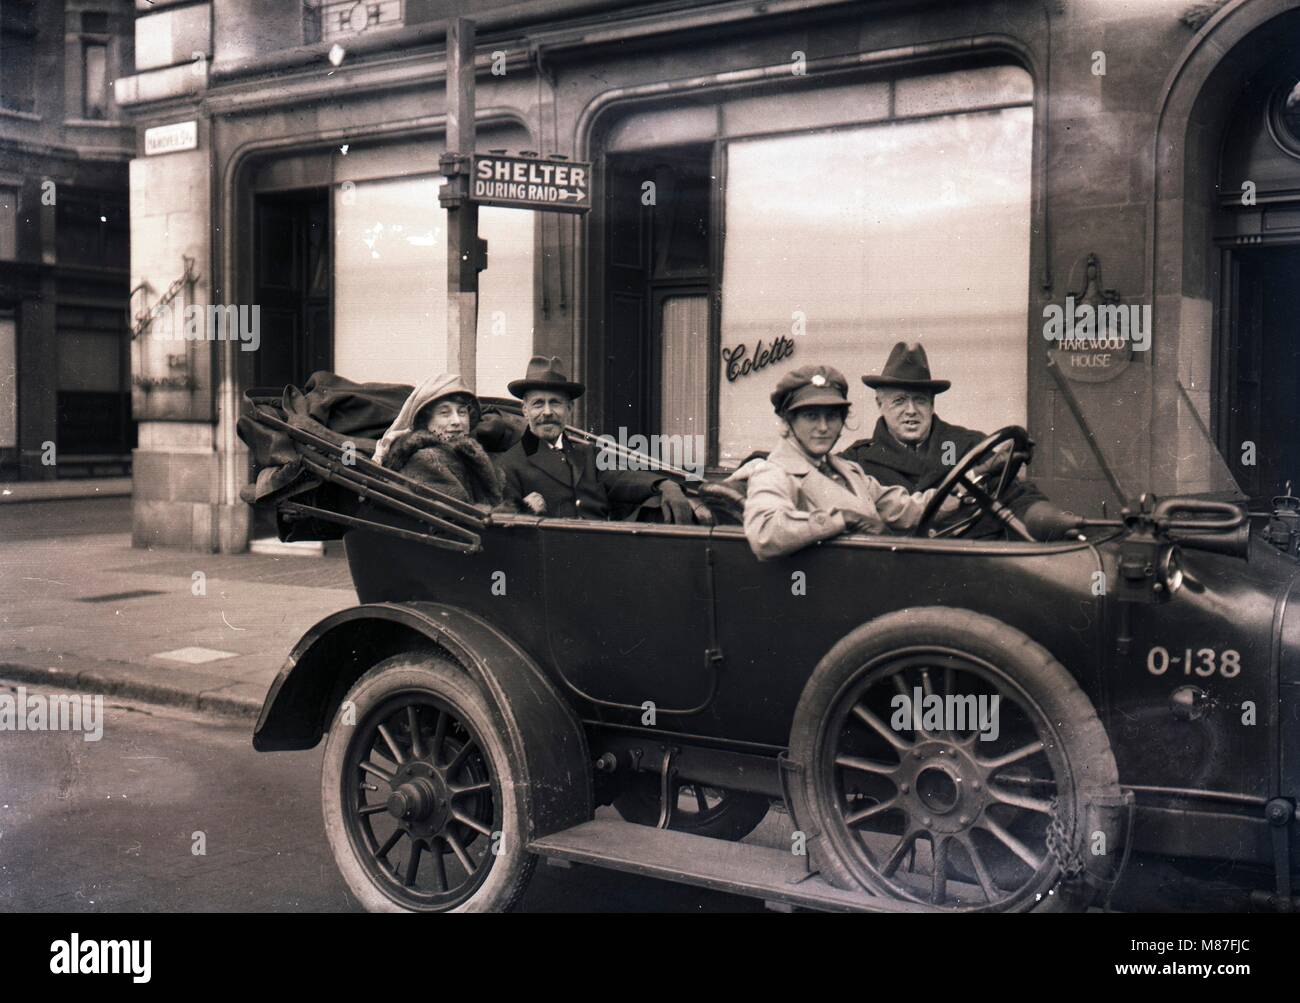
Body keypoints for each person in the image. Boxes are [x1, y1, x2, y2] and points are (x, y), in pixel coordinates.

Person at [839, 341, 1081, 540]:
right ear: (880, 404)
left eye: (920, 400)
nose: (911, 410)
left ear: (932, 404)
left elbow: (1019, 497)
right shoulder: (856, 462)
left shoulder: (969, 446)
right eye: (900, 401)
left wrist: (1047, 519)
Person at [728, 365, 960, 560]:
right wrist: (842, 518)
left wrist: (965, 488)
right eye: (811, 416)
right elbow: (764, 534)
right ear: (787, 422)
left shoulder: (848, 471)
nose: (823, 427)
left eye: (831, 417)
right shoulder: (773, 473)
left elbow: (906, 509)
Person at [495, 356, 711, 523]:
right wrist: (525, 510)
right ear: (525, 410)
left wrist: (664, 485)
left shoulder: (586, 454)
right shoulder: (509, 464)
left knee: (660, 509)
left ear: (569, 409)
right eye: (538, 404)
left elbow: (621, 478)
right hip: (555, 561)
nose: (548, 412)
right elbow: (504, 526)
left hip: (602, 547)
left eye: (556, 403)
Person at [372, 374, 503, 508]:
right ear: (425, 421)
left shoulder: (466, 456)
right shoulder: (428, 459)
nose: (457, 421)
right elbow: (458, 518)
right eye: (444, 413)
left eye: (462, 412)